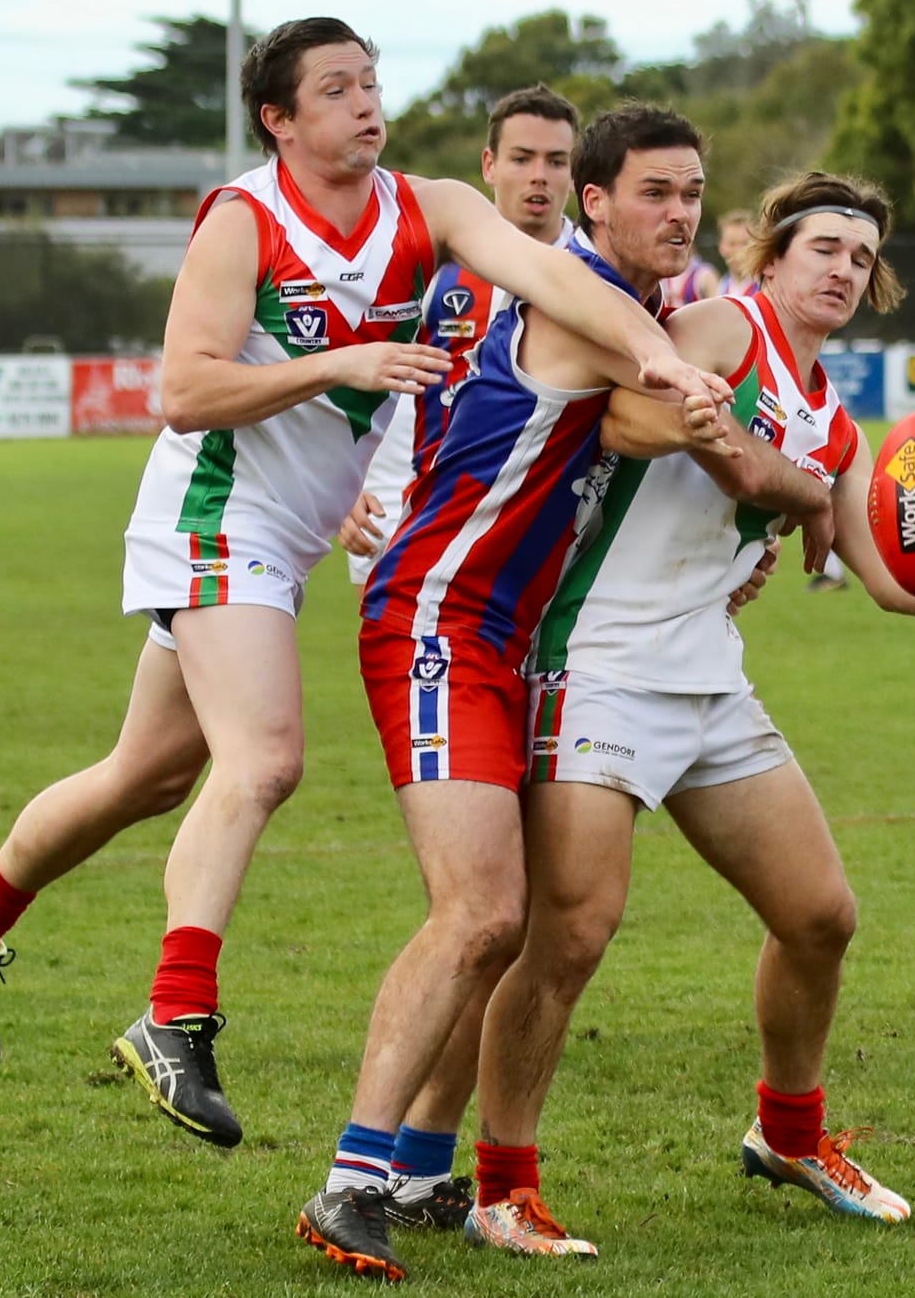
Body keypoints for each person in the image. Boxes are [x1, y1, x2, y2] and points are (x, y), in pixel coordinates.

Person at [0, 19, 725, 1162]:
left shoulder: (427, 205)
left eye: (370, 83)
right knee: (265, 759)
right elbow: (183, 390)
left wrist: (658, 356)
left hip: (284, 538)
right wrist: (338, 362)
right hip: (213, 511)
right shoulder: (245, 219)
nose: (365, 105)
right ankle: (175, 1014)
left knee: (148, 773)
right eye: (336, 90)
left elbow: (551, 276)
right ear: (279, 120)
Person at [465, 171, 915, 1260]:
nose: (843, 270)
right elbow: (619, 414)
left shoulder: (837, 427)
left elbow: (890, 578)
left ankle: (789, 1135)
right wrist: (753, 464)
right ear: (771, 257)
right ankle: (501, 1189)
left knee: (819, 915)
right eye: (823, 249)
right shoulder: (723, 328)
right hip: (597, 664)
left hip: (708, 679)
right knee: (570, 933)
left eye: (861, 258)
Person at [295, 104, 737, 1283]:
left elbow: (654, 427)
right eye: (656, 192)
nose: (678, 214)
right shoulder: (574, 301)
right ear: (596, 202)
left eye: (691, 195)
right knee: (479, 911)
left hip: (514, 641)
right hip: (437, 619)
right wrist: (697, 387)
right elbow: (655, 402)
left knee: (516, 921)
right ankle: (349, 1181)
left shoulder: (618, 310)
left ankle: (415, 1168)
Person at [339, 83, 580, 587]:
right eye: (522, 159)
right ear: (489, 165)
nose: (539, 175)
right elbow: (357, 369)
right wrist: (342, 480)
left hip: (549, 527)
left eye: (556, 161)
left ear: (574, 173)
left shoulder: (596, 276)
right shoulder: (430, 260)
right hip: (417, 509)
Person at [714, 208, 762, 297]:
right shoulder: (721, 287)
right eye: (732, 244)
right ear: (721, 247)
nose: (738, 251)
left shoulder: (765, 286)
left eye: (745, 243)